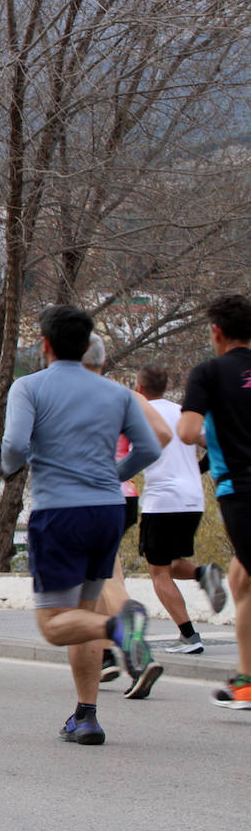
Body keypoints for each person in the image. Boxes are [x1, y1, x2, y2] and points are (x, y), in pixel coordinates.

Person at [1, 305, 162, 745]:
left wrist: (9, 465)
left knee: (54, 625)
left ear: (45, 345)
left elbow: (14, 444)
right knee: (82, 614)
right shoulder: (117, 393)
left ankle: (120, 627)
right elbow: (149, 448)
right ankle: (86, 716)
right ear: (88, 343)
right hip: (108, 510)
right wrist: (114, 475)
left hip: (60, 513)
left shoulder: (28, 386)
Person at [81, 334, 170, 699]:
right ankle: (108, 656)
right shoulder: (123, 395)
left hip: (87, 497)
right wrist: (124, 468)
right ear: (104, 360)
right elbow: (162, 434)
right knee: (102, 574)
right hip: (125, 497)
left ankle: (133, 648)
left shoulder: (66, 395)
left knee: (104, 579)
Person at [176, 293, 251, 710]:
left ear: (216, 332)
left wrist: (211, 434)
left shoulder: (208, 372)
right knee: (240, 578)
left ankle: (248, 684)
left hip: (240, 489)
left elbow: (187, 432)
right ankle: (245, 675)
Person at [135, 364, 227, 654]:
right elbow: (214, 445)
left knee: (157, 571)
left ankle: (189, 636)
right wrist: (195, 471)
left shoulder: (140, 414)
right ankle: (203, 573)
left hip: (162, 500)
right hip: (192, 499)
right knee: (169, 563)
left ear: (139, 388)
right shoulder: (182, 413)